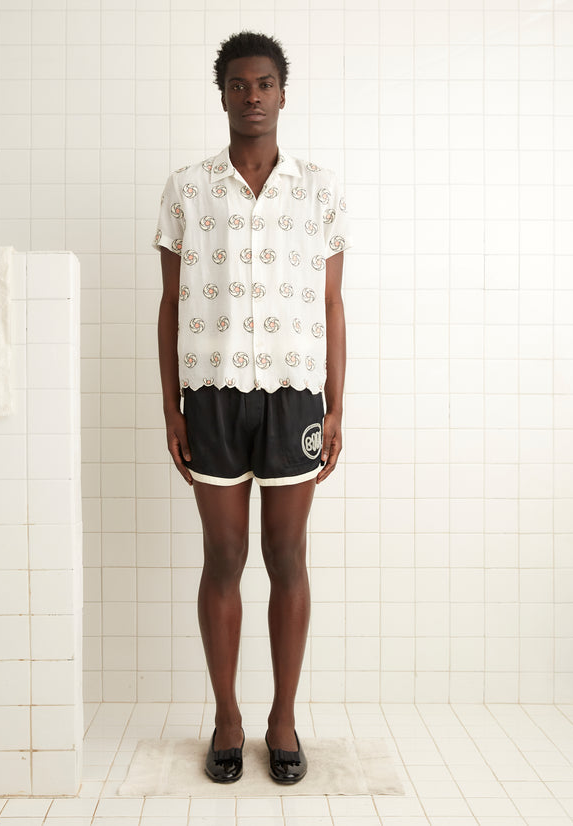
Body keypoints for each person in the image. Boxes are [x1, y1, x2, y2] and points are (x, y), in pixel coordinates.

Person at [153, 31, 349, 784]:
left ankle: (283, 719)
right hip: (211, 395)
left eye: (266, 83)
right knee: (225, 557)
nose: (254, 96)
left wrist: (335, 406)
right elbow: (170, 305)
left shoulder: (320, 189)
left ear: (283, 93)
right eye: (240, 85)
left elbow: (333, 303)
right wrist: (170, 407)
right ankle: (228, 717)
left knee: (288, 557)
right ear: (224, 94)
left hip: (296, 392)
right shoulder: (187, 188)